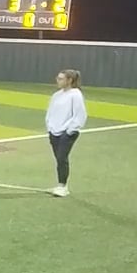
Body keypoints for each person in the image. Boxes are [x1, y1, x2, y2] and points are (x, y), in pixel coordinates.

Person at [45, 68, 87, 198]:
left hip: (67, 133)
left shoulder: (76, 95)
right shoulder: (56, 95)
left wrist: (69, 130)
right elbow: (50, 112)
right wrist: (50, 127)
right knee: (59, 159)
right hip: (54, 132)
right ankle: (61, 185)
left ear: (69, 80)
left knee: (62, 158)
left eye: (61, 79)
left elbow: (80, 115)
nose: (57, 80)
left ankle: (62, 186)